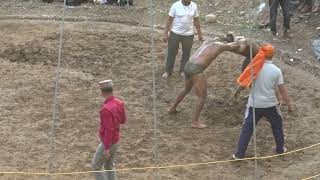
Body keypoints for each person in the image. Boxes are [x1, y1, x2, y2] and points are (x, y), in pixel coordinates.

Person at [232, 44, 293, 159]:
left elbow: (244, 83)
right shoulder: (276, 71)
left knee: (247, 129)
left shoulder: (254, 68)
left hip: (254, 105)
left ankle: (239, 154)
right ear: (273, 55)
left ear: (262, 54)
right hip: (271, 104)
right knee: (277, 126)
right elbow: (282, 90)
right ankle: (280, 149)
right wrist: (289, 105)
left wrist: (236, 91)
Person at [168, 40, 240, 128]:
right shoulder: (220, 45)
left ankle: (172, 108)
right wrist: (237, 41)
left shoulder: (207, 42)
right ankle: (194, 122)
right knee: (202, 96)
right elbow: (234, 46)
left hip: (188, 65)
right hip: (196, 69)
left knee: (186, 89)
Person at [92, 80, 127, 180]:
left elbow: (109, 130)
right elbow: (123, 120)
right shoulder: (119, 103)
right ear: (112, 90)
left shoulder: (106, 109)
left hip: (108, 142)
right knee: (109, 165)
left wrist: (106, 148)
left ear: (102, 92)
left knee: (96, 166)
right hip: (116, 140)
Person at [162, 0, 203, 79]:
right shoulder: (175, 5)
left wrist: (199, 33)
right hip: (175, 33)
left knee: (186, 54)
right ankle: (168, 71)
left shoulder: (194, 6)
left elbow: (196, 20)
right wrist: (165, 33)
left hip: (189, 35)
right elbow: (169, 20)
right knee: (171, 53)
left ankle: (183, 71)